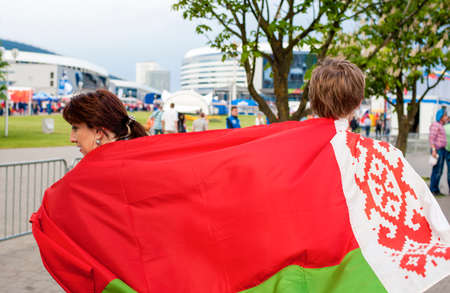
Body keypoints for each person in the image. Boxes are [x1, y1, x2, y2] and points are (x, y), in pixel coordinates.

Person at [31, 58, 450, 292]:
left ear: (310, 96)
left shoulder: (273, 143)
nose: (72, 138)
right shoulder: (382, 158)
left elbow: (214, 171)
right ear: (358, 103)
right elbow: (426, 221)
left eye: (76, 130)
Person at [62, 89, 147, 156]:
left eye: (75, 128)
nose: (72, 139)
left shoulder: (108, 171)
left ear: (98, 132)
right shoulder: (138, 155)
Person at [429, 108, 448, 196]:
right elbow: (432, 138)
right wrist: (433, 150)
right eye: (445, 115)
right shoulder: (436, 125)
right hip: (437, 150)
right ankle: (433, 189)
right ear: (441, 116)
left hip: (442, 150)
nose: (446, 117)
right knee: (437, 170)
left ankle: (435, 188)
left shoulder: (440, 125)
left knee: (439, 170)